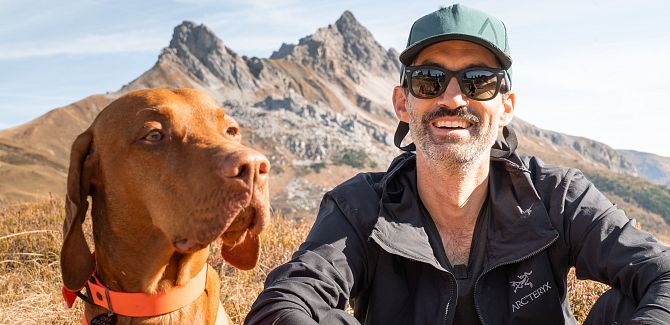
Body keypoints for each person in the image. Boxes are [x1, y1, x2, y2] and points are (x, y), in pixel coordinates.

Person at [245, 4, 670, 324]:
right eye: (429, 80)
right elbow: (283, 303)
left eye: (479, 81)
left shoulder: (557, 196)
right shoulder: (360, 207)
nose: (452, 99)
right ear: (402, 104)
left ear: (506, 108)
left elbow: (663, 274)